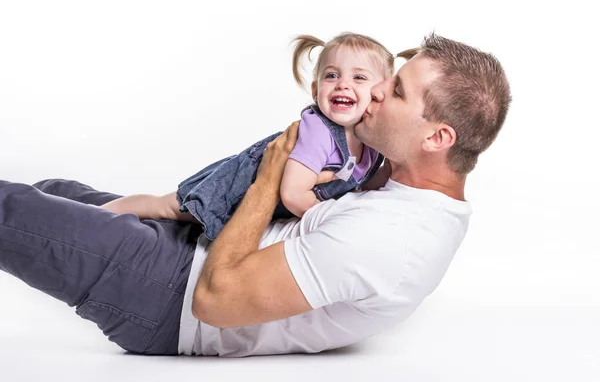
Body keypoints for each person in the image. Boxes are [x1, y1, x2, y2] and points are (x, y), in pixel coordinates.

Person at [0, 33, 511, 357]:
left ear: (437, 138)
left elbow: (214, 302)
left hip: (170, 295)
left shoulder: (393, 242)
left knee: (12, 211)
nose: (375, 91)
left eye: (395, 91)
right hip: (196, 243)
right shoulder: (399, 183)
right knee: (53, 192)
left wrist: (269, 179)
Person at [99, 32, 394, 241]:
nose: (342, 85)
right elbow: (293, 195)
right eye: (332, 76)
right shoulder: (319, 132)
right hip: (239, 187)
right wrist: (333, 221)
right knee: (168, 207)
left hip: (262, 208)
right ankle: (97, 215)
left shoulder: (369, 140)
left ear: (380, 92)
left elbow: (363, 180)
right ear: (316, 90)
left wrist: (393, 171)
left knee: (177, 222)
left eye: (359, 77)